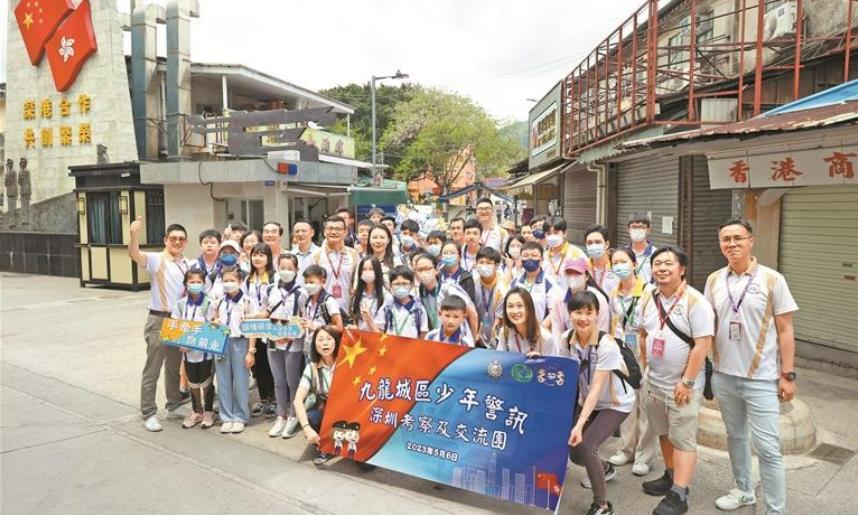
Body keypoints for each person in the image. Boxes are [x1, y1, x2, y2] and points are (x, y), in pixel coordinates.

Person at [705, 218, 798, 515]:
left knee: (769, 449)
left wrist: (788, 374)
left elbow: (786, 330)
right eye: (726, 239)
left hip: (761, 378)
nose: (731, 244)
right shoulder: (714, 280)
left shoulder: (772, 280)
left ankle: (775, 510)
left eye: (737, 238)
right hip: (724, 376)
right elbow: (707, 326)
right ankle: (744, 490)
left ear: (751, 241)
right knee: (736, 438)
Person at [638, 245, 714, 515]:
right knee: (663, 432)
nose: (661, 268)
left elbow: (702, 345)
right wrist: (645, 366)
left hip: (682, 385)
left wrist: (688, 382)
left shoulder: (695, 302)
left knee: (683, 438)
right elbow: (643, 335)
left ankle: (680, 495)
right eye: (657, 263)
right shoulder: (648, 298)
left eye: (668, 263)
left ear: (682, 269)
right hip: (654, 381)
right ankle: (671, 476)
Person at [566, 290, 635, 515]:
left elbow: (596, 388)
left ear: (597, 315)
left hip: (615, 404)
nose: (583, 317)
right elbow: (560, 370)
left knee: (588, 446)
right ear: (570, 314)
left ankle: (602, 505)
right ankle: (605, 468)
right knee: (575, 453)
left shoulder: (606, 344)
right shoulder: (567, 340)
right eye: (578, 312)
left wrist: (579, 424)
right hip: (588, 401)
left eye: (589, 312)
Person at [129, 217, 192, 432]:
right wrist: (134, 235)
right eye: (173, 238)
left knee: (174, 366)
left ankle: (173, 405)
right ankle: (148, 412)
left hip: (178, 322)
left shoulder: (187, 263)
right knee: (153, 368)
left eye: (181, 239)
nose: (177, 242)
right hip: (158, 319)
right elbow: (135, 255)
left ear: (186, 242)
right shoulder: (156, 260)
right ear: (166, 240)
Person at [606, 248, 657, 477]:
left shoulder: (648, 291)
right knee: (626, 402)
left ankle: (644, 455)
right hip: (622, 352)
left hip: (644, 352)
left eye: (623, 261)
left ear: (634, 264)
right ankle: (627, 449)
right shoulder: (613, 293)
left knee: (646, 405)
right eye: (615, 262)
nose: (619, 266)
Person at [265, 253, 308, 439]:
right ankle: (281, 415)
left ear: (297, 270)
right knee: (278, 381)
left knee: (292, 381)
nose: (286, 271)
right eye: (282, 267)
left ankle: (293, 415)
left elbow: (304, 318)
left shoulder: (302, 293)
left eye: (290, 268)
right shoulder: (270, 290)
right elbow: (265, 313)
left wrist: (289, 335)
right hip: (273, 341)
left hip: (293, 343)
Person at [171, 269, 217, 430]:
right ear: (185, 284)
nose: (195, 285)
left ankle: (209, 411)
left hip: (206, 353)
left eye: (199, 282)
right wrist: (181, 342)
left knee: (206, 382)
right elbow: (175, 327)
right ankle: (196, 411)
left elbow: (214, 326)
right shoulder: (180, 304)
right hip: (187, 353)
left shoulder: (210, 303)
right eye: (192, 282)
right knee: (193, 382)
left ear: (204, 284)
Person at [210, 268, 254, 434]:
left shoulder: (248, 301)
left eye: (232, 280)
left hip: (240, 342)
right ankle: (226, 416)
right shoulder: (219, 301)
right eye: (225, 281)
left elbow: (252, 329)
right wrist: (214, 321)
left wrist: (251, 351)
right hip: (221, 342)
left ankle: (240, 416)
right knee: (223, 381)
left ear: (240, 281)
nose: (228, 284)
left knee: (241, 381)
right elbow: (213, 319)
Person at [294, 326, 339, 465]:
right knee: (311, 418)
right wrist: (306, 428)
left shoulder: (347, 361)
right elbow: (297, 401)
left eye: (329, 339)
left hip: (348, 411)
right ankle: (324, 446)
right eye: (320, 339)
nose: (325, 343)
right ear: (315, 344)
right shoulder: (311, 367)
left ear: (336, 341)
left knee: (365, 466)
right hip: (326, 411)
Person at [548, 257, 611, 347]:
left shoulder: (599, 299)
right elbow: (557, 330)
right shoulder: (558, 298)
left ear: (587, 276)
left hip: (594, 348)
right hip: (568, 347)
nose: (573, 277)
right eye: (569, 273)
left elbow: (602, 329)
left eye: (577, 273)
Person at [245, 242, 277, 418]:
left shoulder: (274, 277)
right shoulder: (248, 278)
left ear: (268, 258)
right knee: (256, 365)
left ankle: (273, 399)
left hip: (268, 326)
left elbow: (274, 305)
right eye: (255, 255)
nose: (257, 258)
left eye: (261, 255)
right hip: (251, 328)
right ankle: (263, 398)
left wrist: (258, 315)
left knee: (269, 364)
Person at [415, 253, 478, 335]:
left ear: (436, 270)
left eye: (427, 269)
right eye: (420, 270)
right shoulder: (421, 292)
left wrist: (473, 338)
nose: (423, 273)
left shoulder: (448, 289)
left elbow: (473, 314)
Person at [312, 215, 361, 317]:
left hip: (348, 310)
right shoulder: (316, 255)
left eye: (338, 229)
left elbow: (357, 282)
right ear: (325, 232)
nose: (334, 232)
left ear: (345, 232)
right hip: (323, 312)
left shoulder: (353, 254)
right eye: (330, 229)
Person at [495, 287, 553, 356]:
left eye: (520, 306)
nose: (515, 311)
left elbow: (553, 365)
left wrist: (540, 361)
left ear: (529, 308)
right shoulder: (505, 332)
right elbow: (499, 361)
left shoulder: (545, 338)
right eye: (510, 306)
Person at [509, 241, 554, 323]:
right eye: (525, 256)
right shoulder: (515, 282)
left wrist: (540, 330)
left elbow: (553, 313)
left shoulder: (550, 283)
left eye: (534, 255)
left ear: (541, 259)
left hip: (540, 330)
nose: (529, 259)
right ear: (521, 259)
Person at [473, 247, 508, 348]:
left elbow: (499, 320)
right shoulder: (474, 283)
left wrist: (494, 342)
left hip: (498, 338)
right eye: (481, 262)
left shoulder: (502, 289)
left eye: (488, 263)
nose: (484, 266)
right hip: (478, 338)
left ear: (496, 266)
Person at [381, 266, 428, 339]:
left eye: (405, 284)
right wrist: (369, 321)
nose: (401, 287)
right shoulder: (387, 307)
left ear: (412, 285)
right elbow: (380, 331)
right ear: (390, 285)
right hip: (390, 348)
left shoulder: (419, 309)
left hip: (412, 349)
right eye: (397, 284)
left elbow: (423, 334)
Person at [301, 264, 345, 339]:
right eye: (306, 282)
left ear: (323, 282)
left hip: (325, 344)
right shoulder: (307, 301)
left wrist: (316, 327)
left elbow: (339, 327)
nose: (308, 285)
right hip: (310, 344)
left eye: (311, 282)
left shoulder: (329, 301)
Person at [543, 216, 586, 290]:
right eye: (548, 233)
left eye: (556, 233)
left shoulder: (576, 253)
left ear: (565, 233)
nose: (552, 236)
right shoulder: (544, 256)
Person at [350, 256, 390, 332]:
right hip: (361, 340)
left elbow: (384, 334)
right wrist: (354, 328)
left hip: (377, 340)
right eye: (364, 269)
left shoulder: (386, 297)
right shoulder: (358, 295)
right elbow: (357, 320)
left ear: (377, 271)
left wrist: (369, 321)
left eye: (371, 269)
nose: (367, 272)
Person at [439, 241, 477, 305]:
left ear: (459, 257)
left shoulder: (467, 278)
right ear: (441, 257)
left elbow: (471, 304)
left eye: (452, 253)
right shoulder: (437, 276)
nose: (448, 256)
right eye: (445, 253)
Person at [585, 224, 620, 294]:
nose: (593, 246)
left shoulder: (618, 265)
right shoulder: (583, 268)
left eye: (598, 242)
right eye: (590, 243)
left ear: (607, 244)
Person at [627, 214, 657, 284]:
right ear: (628, 229)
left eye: (641, 227)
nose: (637, 230)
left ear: (648, 230)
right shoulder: (623, 253)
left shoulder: (656, 253)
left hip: (649, 293)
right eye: (634, 227)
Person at [291, 219, 320, 284]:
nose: (300, 234)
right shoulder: (291, 255)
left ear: (312, 233)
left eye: (304, 231)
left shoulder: (320, 253)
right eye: (297, 231)